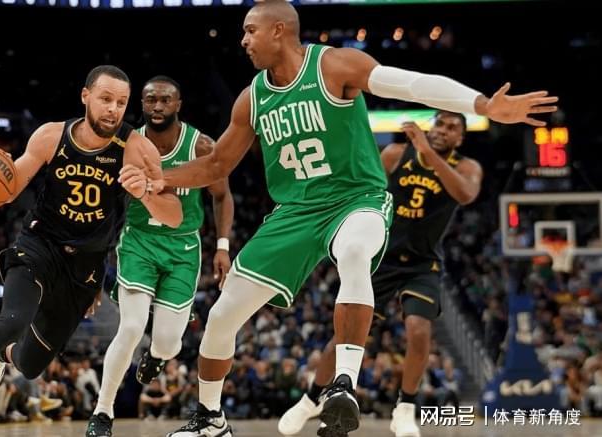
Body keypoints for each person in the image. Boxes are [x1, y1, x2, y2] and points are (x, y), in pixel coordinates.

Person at [144, 1, 557, 436]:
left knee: (355, 251)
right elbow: (216, 166)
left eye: (250, 30)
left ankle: (343, 384)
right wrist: (159, 178)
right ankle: (211, 420)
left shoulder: (334, 65)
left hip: (355, 198)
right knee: (221, 316)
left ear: (279, 30)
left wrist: (482, 105)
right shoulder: (252, 98)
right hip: (295, 211)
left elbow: (411, 84)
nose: (243, 40)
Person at [0, 65, 183, 437]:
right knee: (12, 321)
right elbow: (8, 189)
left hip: (83, 269)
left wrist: (146, 192)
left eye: (121, 103)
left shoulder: (137, 147)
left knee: (31, 363)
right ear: (85, 96)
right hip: (39, 245)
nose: (113, 109)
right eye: (105, 99)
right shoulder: (52, 136)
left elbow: (173, 216)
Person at [279, 111, 482, 436]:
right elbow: (365, 187)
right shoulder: (395, 154)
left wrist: (428, 154)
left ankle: (405, 409)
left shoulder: (467, 167)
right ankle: (311, 399)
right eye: (440, 123)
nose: (444, 130)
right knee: (344, 336)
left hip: (421, 262)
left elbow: (465, 194)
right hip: (381, 256)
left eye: (452, 127)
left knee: (418, 330)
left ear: (460, 138)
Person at [86, 75, 234, 437]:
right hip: (140, 241)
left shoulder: (200, 145)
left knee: (169, 343)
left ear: (178, 104)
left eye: (165, 100)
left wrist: (222, 246)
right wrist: (93, 265)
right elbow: (106, 206)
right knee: (131, 327)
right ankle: (102, 412)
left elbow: (221, 195)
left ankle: (156, 355)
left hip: (183, 248)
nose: (157, 106)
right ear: (142, 104)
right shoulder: (126, 144)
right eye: (150, 99)